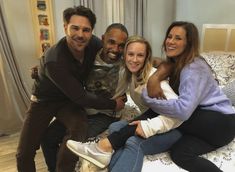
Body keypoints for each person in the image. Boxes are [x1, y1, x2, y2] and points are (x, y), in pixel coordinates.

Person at [16, 6, 126, 172]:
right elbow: (81, 97)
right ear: (65, 27)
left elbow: (124, 52)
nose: (80, 35)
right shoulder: (54, 60)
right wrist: (112, 104)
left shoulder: (95, 44)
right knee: (24, 152)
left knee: (78, 129)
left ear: (92, 32)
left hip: (67, 101)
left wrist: (157, 64)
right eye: (75, 28)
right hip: (44, 101)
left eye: (86, 30)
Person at [66, 35, 183, 171]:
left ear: (146, 58)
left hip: (175, 129)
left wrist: (149, 127)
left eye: (140, 55)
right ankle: (105, 158)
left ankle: (102, 150)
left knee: (133, 142)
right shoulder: (132, 74)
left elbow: (179, 115)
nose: (134, 59)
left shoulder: (154, 82)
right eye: (131, 54)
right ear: (124, 56)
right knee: (116, 127)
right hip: (151, 118)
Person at [143, 21, 235, 172]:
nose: (171, 41)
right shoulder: (177, 64)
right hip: (211, 131)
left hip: (220, 121)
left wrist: (147, 99)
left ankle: (122, 135)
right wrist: (156, 74)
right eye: (169, 36)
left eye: (178, 38)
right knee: (180, 154)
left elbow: (183, 111)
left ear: (189, 43)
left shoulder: (194, 68)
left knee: (165, 111)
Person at [39, 23, 128, 172]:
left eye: (121, 45)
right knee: (47, 137)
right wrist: (39, 69)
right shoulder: (88, 55)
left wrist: (161, 72)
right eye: (111, 42)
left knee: (70, 143)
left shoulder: (127, 63)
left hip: (105, 114)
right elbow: (61, 63)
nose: (115, 49)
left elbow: (149, 62)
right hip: (80, 109)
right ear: (103, 39)